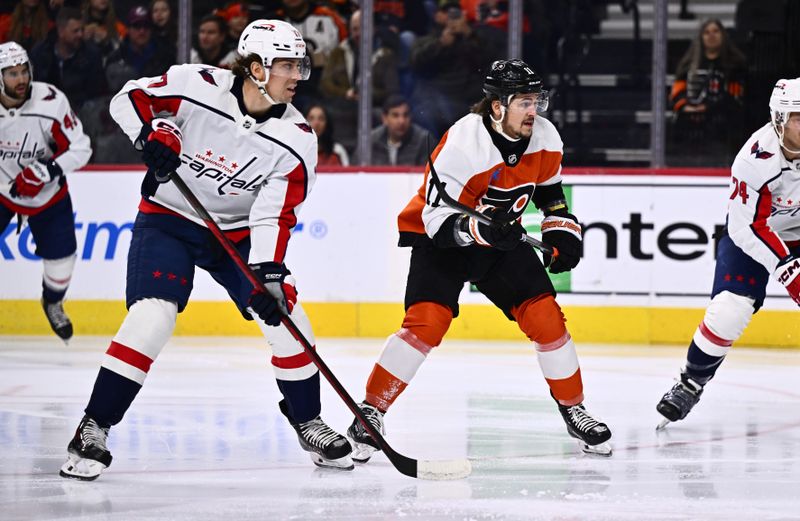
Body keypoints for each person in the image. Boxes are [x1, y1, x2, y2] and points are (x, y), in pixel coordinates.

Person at [58, 19, 354, 481]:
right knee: (152, 315)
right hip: (169, 219)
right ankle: (94, 426)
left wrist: (269, 274)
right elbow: (128, 100)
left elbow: (274, 214)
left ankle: (308, 420)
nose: (298, 75)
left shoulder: (297, 140)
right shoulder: (196, 85)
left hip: (234, 234)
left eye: (301, 64)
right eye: (286, 65)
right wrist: (154, 132)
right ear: (256, 67)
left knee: (287, 314)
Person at [345, 59, 613, 462]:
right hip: (443, 244)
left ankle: (575, 410)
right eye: (524, 101)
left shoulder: (545, 135)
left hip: (499, 240)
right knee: (425, 326)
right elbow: (437, 222)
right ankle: (370, 412)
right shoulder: (461, 146)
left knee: (546, 319)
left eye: (536, 100)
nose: (533, 110)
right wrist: (483, 231)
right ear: (497, 107)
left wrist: (561, 229)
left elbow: (550, 193)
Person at [656, 78, 800, 429]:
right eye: (799, 116)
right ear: (779, 120)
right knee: (728, 311)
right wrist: (787, 267)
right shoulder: (755, 160)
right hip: (754, 235)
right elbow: (747, 229)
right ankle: (690, 383)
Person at [0, 41, 92, 342]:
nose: (21, 79)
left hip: (47, 193)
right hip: (2, 189)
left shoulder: (50, 102)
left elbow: (81, 148)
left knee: (62, 260)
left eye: (24, 70)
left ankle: (52, 302)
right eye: (12, 73)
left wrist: (47, 170)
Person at [669, 19, 747, 165]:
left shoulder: (736, 64)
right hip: (689, 127)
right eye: (706, 32)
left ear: (723, 35)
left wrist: (708, 108)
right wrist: (685, 106)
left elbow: (735, 96)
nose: (711, 36)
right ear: (701, 37)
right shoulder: (688, 64)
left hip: (722, 128)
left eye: (715, 31)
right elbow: (677, 91)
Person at [30, 7, 108, 110]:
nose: (80, 34)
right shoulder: (40, 53)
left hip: (81, 114)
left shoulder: (92, 55)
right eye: (75, 31)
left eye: (82, 30)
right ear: (61, 31)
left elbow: (97, 95)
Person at [362, 94, 432, 166]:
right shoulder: (371, 140)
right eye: (395, 115)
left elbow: (427, 173)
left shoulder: (424, 140)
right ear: (384, 118)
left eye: (405, 115)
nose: (401, 121)